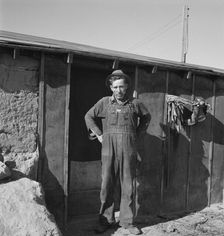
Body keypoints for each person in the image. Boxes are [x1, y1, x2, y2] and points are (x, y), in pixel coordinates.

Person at [84, 69, 150, 235]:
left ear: (126, 86)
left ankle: (127, 222)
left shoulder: (135, 103)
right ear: (111, 88)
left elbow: (147, 117)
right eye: (115, 87)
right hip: (109, 148)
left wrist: (138, 135)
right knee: (107, 184)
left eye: (122, 86)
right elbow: (88, 116)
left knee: (128, 184)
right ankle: (105, 220)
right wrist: (99, 134)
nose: (119, 90)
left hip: (128, 148)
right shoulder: (105, 103)